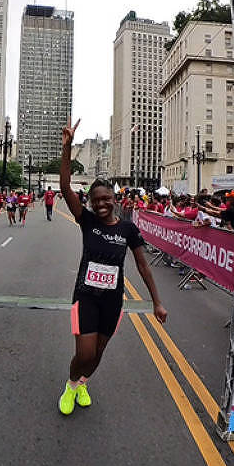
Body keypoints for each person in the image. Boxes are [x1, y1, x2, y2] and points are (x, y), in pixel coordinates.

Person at [58, 118, 167, 415]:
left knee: (99, 354)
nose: (102, 204)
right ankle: (70, 385)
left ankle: (81, 383)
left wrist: (157, 302)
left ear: (114, 199)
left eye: (106, 198)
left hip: (112, 301)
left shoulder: (128, 230)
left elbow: (143, 266)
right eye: (96, 200)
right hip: (86, 297)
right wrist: (67, 147)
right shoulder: (87, 221)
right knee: (85, 352)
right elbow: (65, 186)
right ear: (91, 203)